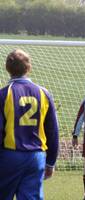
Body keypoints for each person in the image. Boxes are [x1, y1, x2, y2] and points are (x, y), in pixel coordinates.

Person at [0, 49, 59, 200]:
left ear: (7, 68)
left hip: (10, 155)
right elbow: (52, 131)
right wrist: (51, 162)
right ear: (29, 67)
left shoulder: (4, 94)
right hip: (36, 157)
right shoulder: (44, 93)